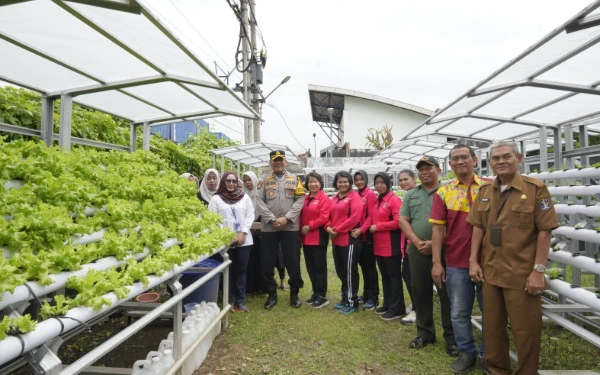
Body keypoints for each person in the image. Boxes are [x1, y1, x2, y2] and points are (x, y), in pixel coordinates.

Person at [467, 140, 558, 375]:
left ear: (519, 159)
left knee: (525, 330)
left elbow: (545, 231)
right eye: (495, 158)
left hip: (521, 274)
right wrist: (473, 261)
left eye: (506, 156)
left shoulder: (535, 189)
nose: (501, 161)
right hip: (491, 272)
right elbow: (478, 227)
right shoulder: (485, 192)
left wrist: (538, 270)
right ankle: (498, 371)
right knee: (493, 329)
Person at [429, 145, 487, 374]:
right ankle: (467, 353)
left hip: (488, 262)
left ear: (475, 160)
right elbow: (437, 231)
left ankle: (487, 355)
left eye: (465, 157)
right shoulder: (444, 193)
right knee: (459, 312)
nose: (460, 161)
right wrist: (436, 263)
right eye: (455, 158)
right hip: (455, 263)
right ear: (449, 165)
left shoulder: (490, 188)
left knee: (490, 312)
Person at [399, 156, 457, 356]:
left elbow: (457, 225)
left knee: (446, 293)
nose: (424, 172)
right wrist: (416, 242)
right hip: (417, 249)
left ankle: (452, 337)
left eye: (428, 168)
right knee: (420, 291)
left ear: (438, 170)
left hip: (444, 249)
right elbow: (403, 219)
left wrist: (435, 244)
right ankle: (425, 333)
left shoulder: (449, 192)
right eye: (421, 169)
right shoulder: (411, 195)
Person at [256, 150, 305, 310]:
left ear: (285, 162)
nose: (278, 163)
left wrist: (287, 218)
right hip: (269, 228)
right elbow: (259, 201)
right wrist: (271, 219)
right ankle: (272, 294)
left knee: (293, 262)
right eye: (275, 160)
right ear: (270, 163)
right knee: (267, 263)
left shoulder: (294, 179)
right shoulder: (263, 180)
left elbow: (300, 200)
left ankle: (294, 294)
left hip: (290, 227)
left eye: (280, 160)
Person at [208, 172, 255, 312]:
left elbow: (250, 215)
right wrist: (227, 236)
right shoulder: (216, 199)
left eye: (234, 181)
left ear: (237, 182)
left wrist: (242, 233)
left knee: (241, 271)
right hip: (225, 241)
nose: (231, 183)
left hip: (243, 241)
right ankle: (228, 301)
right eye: (228, 181)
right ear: (223, 182)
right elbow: (212, 220)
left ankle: (240, 301)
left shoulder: (244, 197)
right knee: (227, 271)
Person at [370, 172, 407, 321]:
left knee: (394, 277)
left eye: (382, 182)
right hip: (379, 246)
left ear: (388, 183)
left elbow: (399, 222)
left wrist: (378, 227)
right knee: (385, 276)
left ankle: (397, 308)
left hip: (391, 245)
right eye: (376, 182)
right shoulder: (379, 200)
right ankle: (388, 303)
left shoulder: (394, 200)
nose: (379, 185)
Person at [327, 171, 363, 315]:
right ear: (336, 183)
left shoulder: (355, 197)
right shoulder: (335, 197)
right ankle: (345, 298)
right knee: (341, 271)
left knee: (349, 272)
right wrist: (328, 227)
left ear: (350, 182)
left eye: (345, 181)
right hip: (336, 240)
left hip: (349, 240)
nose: (342, 184)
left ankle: (352, 302)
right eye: (339, 181)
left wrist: (337, 229)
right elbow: (329, 216)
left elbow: (354, 218)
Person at [299, 172, 331, 308]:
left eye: (315, 181)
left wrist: (309, 227)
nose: (313, 184)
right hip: (306, 238)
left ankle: (322, 295)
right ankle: (315, 292)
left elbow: (324, 217)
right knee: (310, 267)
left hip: (318, 237)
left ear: (320, 183)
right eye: (310, 182)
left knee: (319, 267)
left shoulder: (324, 198)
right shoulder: (305, 198)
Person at [350, 170, 379, 311]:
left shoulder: (370, 194)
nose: (359, 182)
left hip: (367, 237)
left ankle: (374, 297)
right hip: (358, 237)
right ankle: (366, 294)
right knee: (363, 268)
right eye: (356, 180)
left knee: (370, 268)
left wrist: (362, 229)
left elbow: (372, 215)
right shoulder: (356, 194)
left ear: (366, 180)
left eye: (361, 179)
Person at [242, 171, 268, 295]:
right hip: (248, 233)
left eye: (249, 180)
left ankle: (262, 287)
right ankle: (250, 287)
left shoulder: (262, 195)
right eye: (245, 180)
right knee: (250, 261)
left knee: (262, 260)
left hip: (262, 233)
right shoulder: (241, 196)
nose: (247, 183)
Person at [398, 169, 417, 325]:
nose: (403, 182)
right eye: (401, 180)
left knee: (413, 277)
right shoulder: (408, 196)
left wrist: (413, 242)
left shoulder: (417, 196)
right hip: (406, 243)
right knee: (408, 275)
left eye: (406, 179)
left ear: (414, 179)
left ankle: (418, 309)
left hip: (414, 243)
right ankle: (416, 305)